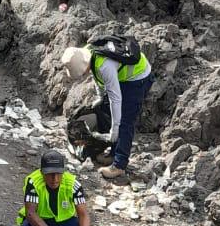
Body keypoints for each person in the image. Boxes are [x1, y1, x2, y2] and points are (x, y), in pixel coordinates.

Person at [60, 35, 153, 183]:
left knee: (125, 121)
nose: (84, 74)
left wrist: (115, 129)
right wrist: (100, 97)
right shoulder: (87, 53)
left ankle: (119, 165)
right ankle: (113, 153)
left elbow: (115, 99)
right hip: (124, 78)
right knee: (109, 109)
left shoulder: (105, 65)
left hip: (138, 78)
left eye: (82, 72)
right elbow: (97, 78)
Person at [16, 149, 90, 226]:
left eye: (58, 174)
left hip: (64, 221)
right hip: (39, 221)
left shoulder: (73, 184)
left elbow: (83, 214)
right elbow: (30, 213)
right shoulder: (33, 182)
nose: (54, 179)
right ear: (42, 172)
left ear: (63, 172)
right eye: (50, 174)